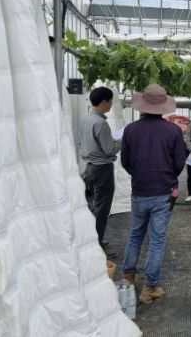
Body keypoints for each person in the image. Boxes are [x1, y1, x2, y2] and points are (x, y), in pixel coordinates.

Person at [120, 84, 187, 304]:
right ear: (163, 107)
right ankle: (150, 288)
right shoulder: (173, 131)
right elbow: (179, 163)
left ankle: (127, 278)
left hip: (139, 190)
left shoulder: (130, 130)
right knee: (157, 241)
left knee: (135, 235)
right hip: (163, 192)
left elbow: (125, 162)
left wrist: (139, 174)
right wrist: (167, 174)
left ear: (143, 105)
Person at [79, 86, 121, 258]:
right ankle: (96, 246)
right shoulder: (101, 123)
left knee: (91, 206)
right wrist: (121, 141)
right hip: (102, 169)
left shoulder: (86, 119)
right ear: (104, 101)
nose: (111, 104)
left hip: (89, 167)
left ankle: (90, 242)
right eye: (110, 101)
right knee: (101, 209)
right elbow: (110, 149)